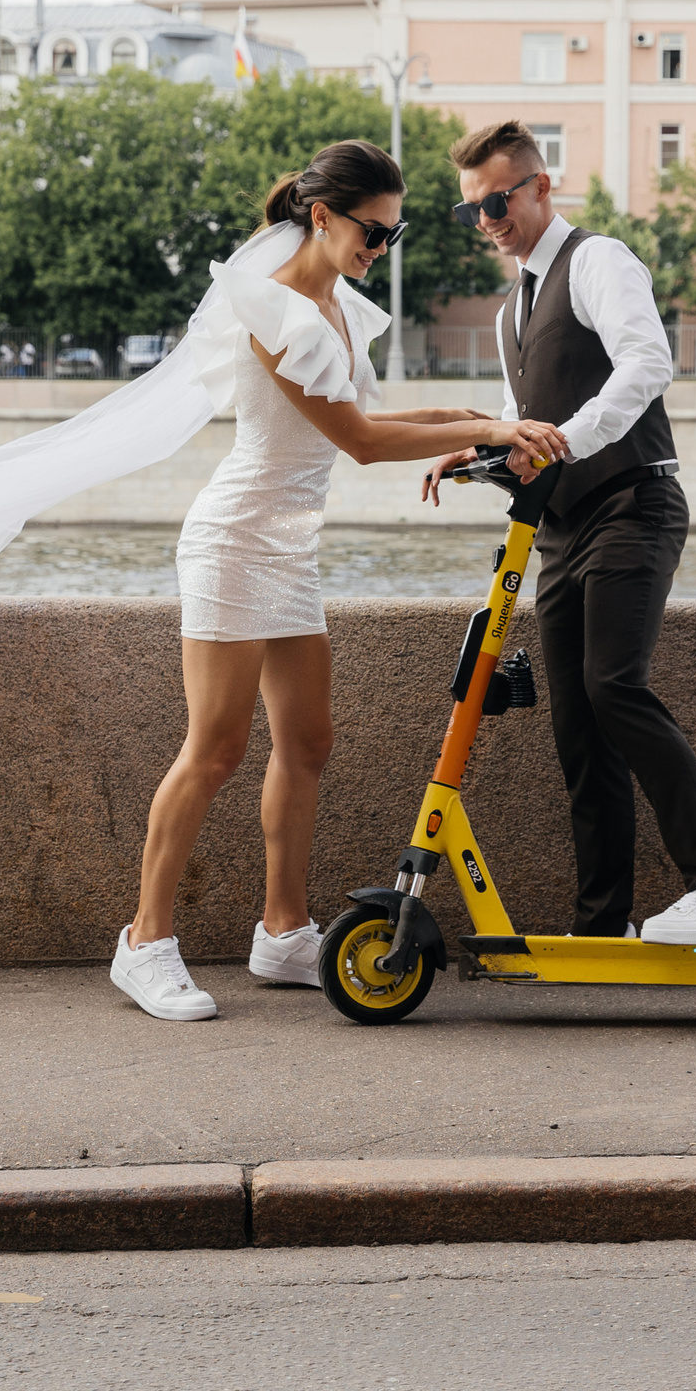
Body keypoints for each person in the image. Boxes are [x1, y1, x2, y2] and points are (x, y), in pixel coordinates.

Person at [115, 140, 566, 1021]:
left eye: (393, 238)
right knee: (214, 750)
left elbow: (373, 415)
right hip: (233, 539)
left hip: (288, 548)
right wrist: (491, 426)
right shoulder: (275, 307)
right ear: (322, 215)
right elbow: (358, 442)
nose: (380, 250)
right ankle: (144, 942)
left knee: (309, 741)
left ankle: (283, 934)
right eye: (372, 232)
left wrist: (489, 423)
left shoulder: (335, 306)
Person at [421, 120, 696, 947]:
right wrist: (479, 444)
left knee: (615, 687)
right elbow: (521, 417)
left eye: (496, 201)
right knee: (577, 725)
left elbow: (647, 364)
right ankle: (601, 925)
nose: (487, 220)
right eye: (472, 212)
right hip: (564, 528)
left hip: (634, 502)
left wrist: (563, 438)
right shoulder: (510, 311)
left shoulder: (598, 260)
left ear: (538, 186)